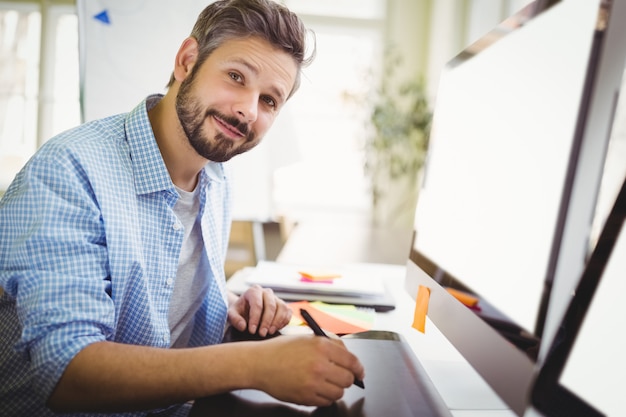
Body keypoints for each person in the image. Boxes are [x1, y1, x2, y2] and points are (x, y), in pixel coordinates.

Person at [0, 0, 365, 416]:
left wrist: (228, 304)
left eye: (269, 101)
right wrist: (255, 365)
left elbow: (156, 290)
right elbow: (65, 372)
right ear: (187, 61)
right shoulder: (69, 170)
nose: (248, 109)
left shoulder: (216, 178)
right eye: (235, 76)